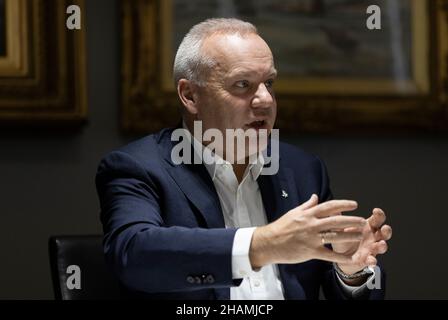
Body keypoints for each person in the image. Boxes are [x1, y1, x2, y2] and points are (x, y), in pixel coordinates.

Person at [95, 18, 392, 300]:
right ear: (190, 95)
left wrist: (349, 269)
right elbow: (133, 255)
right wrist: (262, 244)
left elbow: (340, 287)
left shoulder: (302, 169)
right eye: (242, 85)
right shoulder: (139, 167)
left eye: (269, 83)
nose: (265, 100)